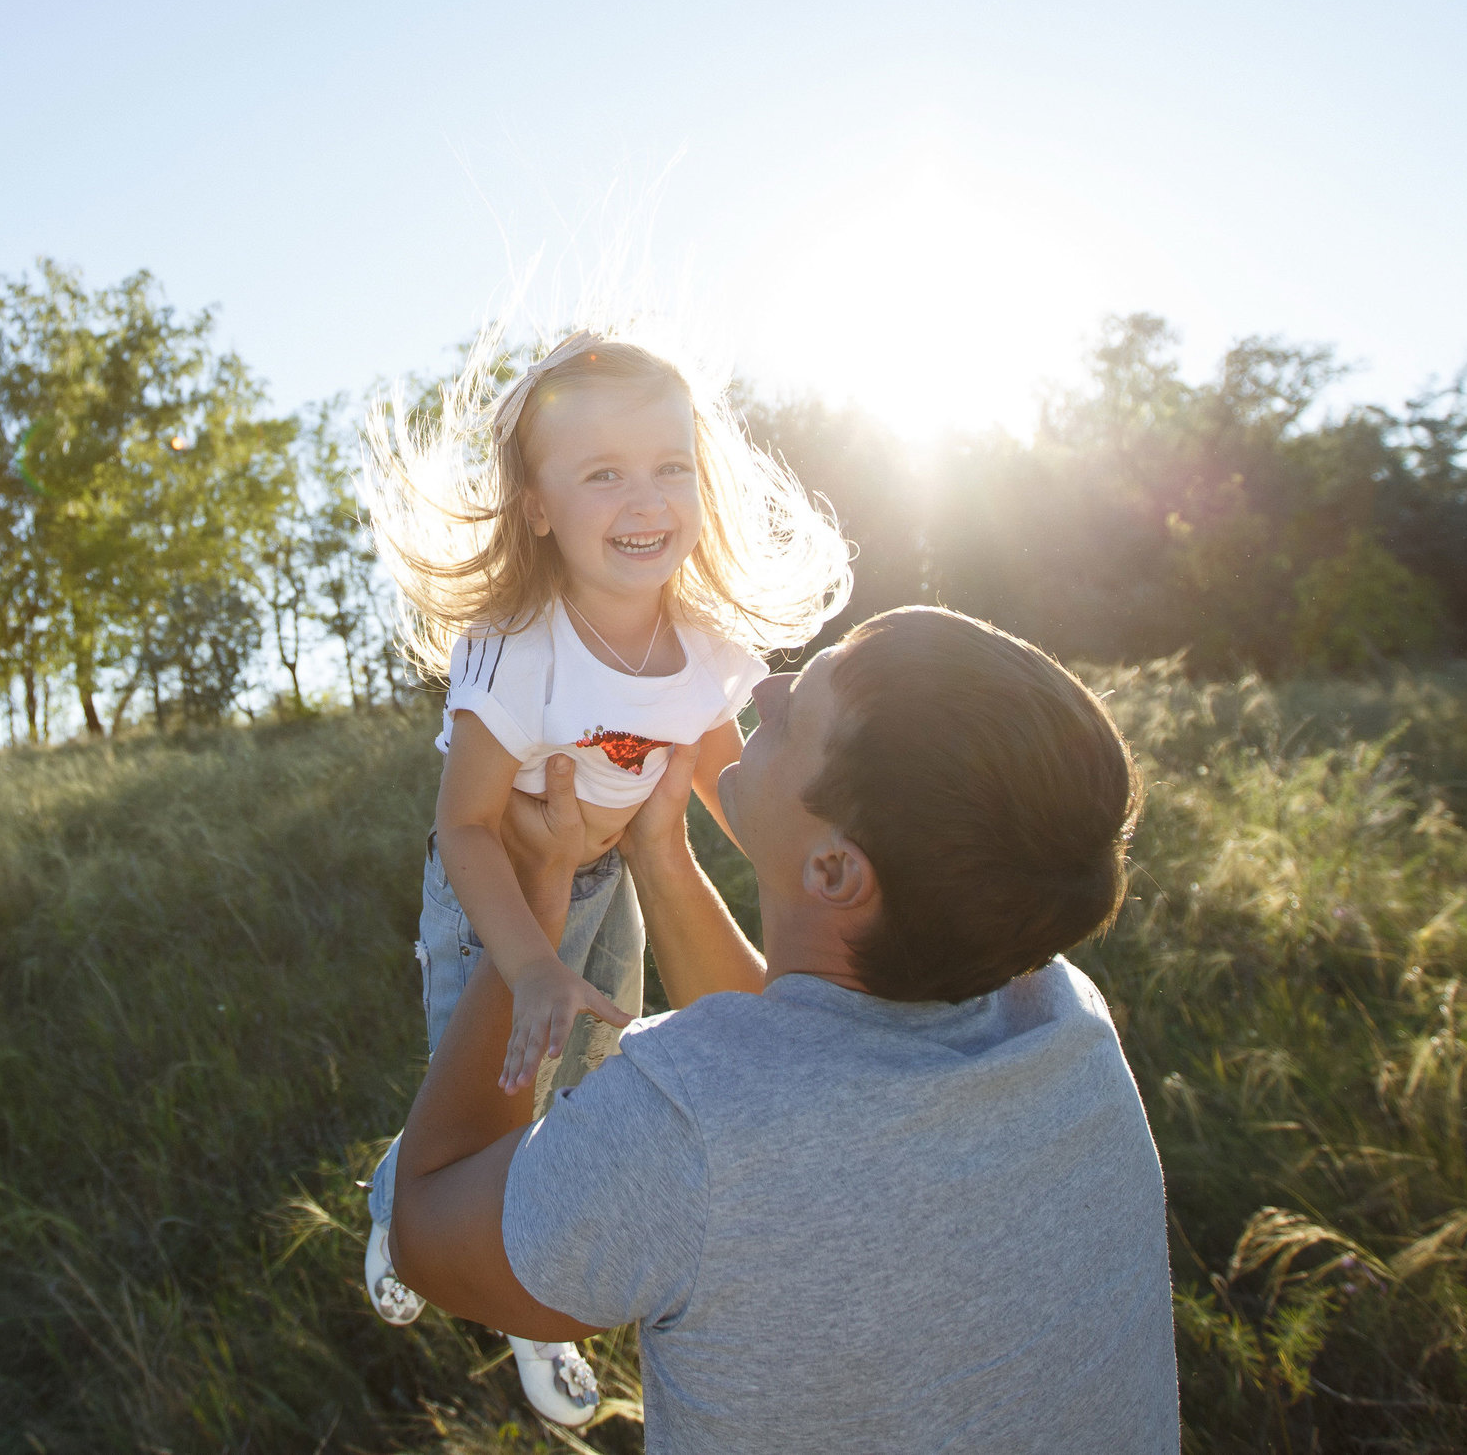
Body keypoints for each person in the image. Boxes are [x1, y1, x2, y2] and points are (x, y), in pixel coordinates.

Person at [388, 606, 1181, 1452]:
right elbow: (791, 1057)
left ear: (835, 868)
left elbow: (426, 1222)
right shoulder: (1065, 1023)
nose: (764, 686)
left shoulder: (681, 1134)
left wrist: (543, 893)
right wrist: (660, 853)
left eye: (798, 709)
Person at [356, 328, 852, 1424]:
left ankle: (542, 1291)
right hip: (496, 906)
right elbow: (468, 826)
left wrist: (823, 878)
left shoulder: (707, 645)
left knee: (586, 1087)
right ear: (536, 506)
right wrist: (529, 962)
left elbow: (736, 795)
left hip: (608, 882)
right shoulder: (517, 642)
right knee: (485, 1093)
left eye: (670, 464)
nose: (647, 497)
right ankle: (406, 1202)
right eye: (603, 472)